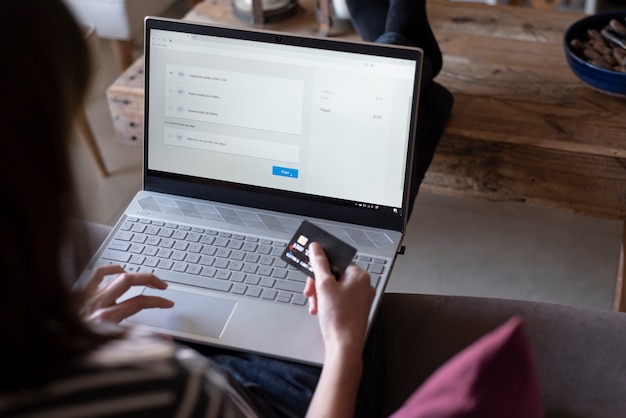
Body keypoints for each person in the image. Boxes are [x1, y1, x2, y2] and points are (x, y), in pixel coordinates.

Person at [0, 0, 450, 416]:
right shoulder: (172, 387)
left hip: (136, 343)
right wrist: (346, 343)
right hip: (272, 396)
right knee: (355, 244)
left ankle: (405, 52)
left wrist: (77, 338)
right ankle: (404, 51)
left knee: (404, 109)